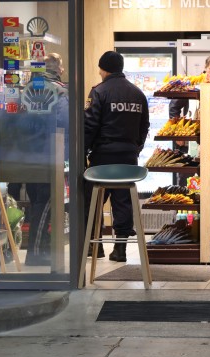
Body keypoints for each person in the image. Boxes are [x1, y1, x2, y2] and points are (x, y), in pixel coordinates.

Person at [84, 51, 150, 262]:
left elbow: (90, 125)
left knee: (92, 200)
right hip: (128, 157)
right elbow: (144, 126)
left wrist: (83, 150)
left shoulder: (99, 92)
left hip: (103, 157)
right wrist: (135, 149)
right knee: (123, 201)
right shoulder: (137, 93)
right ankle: (120, 249)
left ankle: (95, 247)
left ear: (103, 69)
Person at [22, 52, 68, 266]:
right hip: (50, 152)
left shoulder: (25, 89)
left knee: (37, 201)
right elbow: (64, 122)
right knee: (46, 201)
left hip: (27, 153)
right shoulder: (59, 91)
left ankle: (41, 248)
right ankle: (36, 252)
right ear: (58, 69)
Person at [168, 54, 210, 185]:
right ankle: (185, 203)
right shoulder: (192, 84)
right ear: (205, 68)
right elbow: (173, 107)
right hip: (191, 139)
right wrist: (177, 134)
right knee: (187, 177)